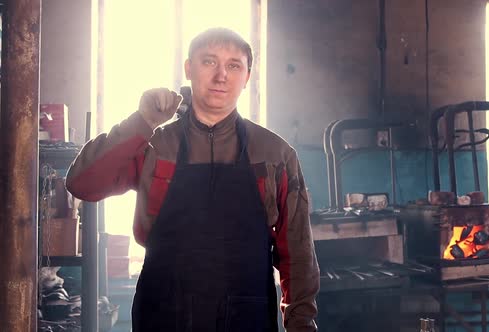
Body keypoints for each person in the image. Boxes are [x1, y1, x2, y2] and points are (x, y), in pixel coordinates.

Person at [66, 27, 319, 332]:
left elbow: (298, 254)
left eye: (234, 65)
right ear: (188, 68)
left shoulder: (275, 154)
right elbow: (82, 183)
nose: (221, 75)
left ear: (247, 76)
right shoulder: (155, 144)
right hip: (163, 314)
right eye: (209, 62)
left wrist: (301, 324)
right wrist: (142, 120)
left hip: (246, 317)